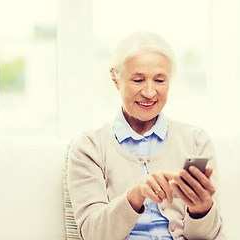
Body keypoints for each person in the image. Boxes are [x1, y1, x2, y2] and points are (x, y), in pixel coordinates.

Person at [67, 31, 225, 240]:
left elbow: (207, 236)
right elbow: (94, 235)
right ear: (115, 79)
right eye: (138, 80)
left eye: (159, 80)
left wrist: (202, 210)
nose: (150, 92)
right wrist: (135, 195)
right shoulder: (88, 148)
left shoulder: (196, 141)